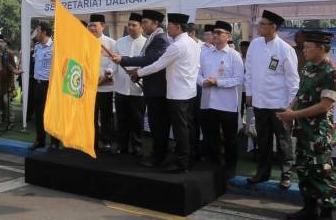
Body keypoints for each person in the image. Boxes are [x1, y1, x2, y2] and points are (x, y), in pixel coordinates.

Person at [125, 13, 200, 172]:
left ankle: (182, 163)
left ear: (178, 27)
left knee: (181, 130)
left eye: (170, 26)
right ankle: (188, 159)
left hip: (177, 93)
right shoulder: (193, 43)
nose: (168, 29)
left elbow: (158, 65)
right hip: (189, 91)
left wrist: (138, 73)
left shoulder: (177, 45)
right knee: (186, 128)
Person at [277, 30, 336, 220]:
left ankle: (326, 214)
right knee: (304, 169)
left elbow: (324, 105)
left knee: (321, 172)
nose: (304, 50)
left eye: (308, 47)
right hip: (303, 130)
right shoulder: (309, 67)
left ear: (321, 48)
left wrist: (293, 114)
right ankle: (309, 210)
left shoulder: (332, 72)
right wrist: (289, 110)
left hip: (318, 133)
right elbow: (300, 93)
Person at [245, 10, 300, 189]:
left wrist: (290, 106)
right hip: (260, 102)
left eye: (263, 24)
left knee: (283, 141)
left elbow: (293, 79)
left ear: (273, 27)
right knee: (263, 140)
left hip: (280, 105)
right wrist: (249, 93)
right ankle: (262, 173)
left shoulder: (285, 49)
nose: (259, 27)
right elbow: (250, 71)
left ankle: (286, 174)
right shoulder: (255, 44)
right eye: (260, 23)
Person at [112, 10, 171, 167]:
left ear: (155, 24)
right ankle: (125, 147)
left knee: (151, 124)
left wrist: (128, 64)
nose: (141, 25)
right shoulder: (151, 38)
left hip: (152, 90)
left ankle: (154, 155)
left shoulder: (159, 39)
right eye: (130, 24)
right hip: (128, 87)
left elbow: (149, 60)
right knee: (126, 120)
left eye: (144, 22)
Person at [198, 20, 244, 177]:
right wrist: (202, 82)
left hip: (227, 104)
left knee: (230, 139)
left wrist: (218, 82)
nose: (215, 35)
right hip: (208, 102)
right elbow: (197, 74)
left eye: (219, 33)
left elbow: (239, 79)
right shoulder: (205, 53)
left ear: (228, 36)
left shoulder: (234, 55)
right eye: (214, 33)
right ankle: (214, 165)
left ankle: (231, 167)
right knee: (211, 137)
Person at [113, 13, 146, 156]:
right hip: (121, 87)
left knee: (137, 120)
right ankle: (122, 146)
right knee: (122, 119)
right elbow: (112, 62)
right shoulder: (119, 42)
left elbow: (149, 64)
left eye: (134, 25)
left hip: (138, 90)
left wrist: (139, 74)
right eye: (129, 25)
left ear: (141, 27)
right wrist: (109, 72)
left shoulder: (147, 43)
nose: (131, 27)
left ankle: (137, 148)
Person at [29, 22, 59, 151]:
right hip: (37, 84)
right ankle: (40, 140)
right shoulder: (37, 47)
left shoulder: (55, 47)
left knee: (52, 114)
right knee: (39, 114)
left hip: (50, 85)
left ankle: (54, 142)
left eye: (38, 30)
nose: (36, 33)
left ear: (44, 32)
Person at [90, 14, 117, 151]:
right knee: (90, 117)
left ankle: (107, 141)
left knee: (106, 116)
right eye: (90, 25)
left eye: (95, 25)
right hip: (89, 88)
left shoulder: (111, 43)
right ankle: (91, 142)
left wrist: (105, 77)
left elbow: (114, 64)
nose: (92, 28)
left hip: (105, 87)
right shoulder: (84, 41)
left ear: (103, 26)